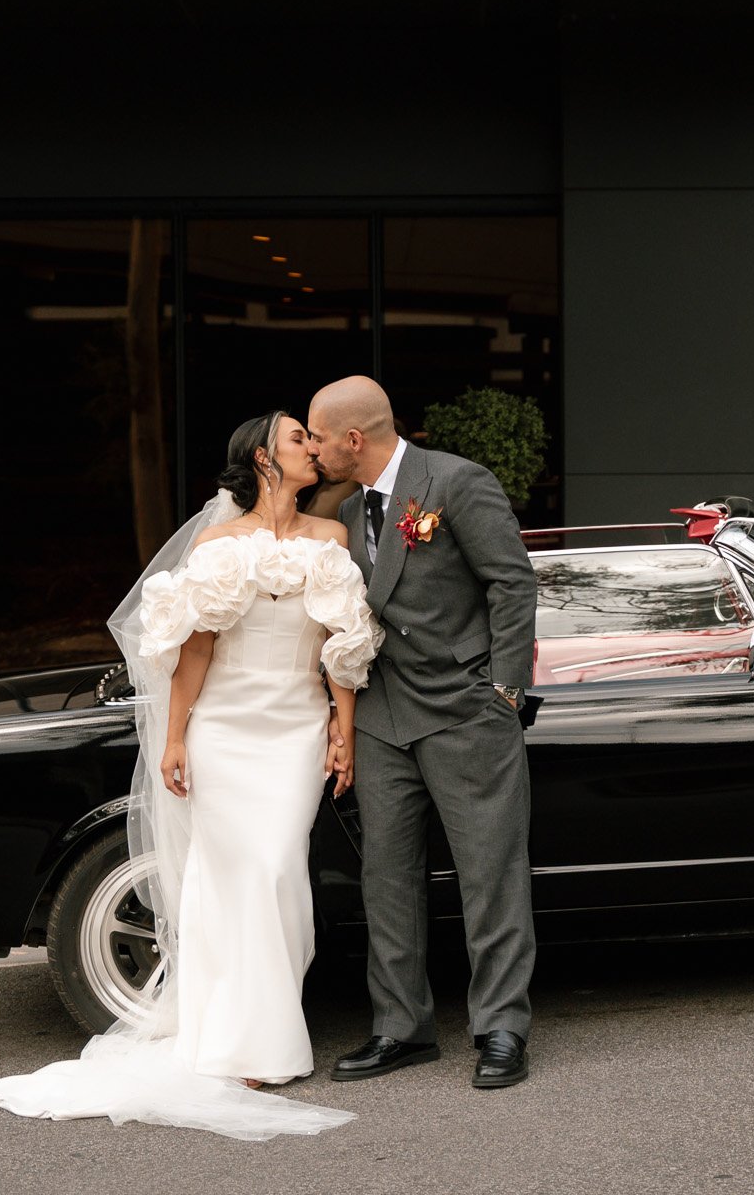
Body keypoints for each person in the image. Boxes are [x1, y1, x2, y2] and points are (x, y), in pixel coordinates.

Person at [0, 409, 382, 1140]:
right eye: (298, 439)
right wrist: (174, 739)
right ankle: (243, 1041)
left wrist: (342, 731)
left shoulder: (330, 539)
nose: (313, 449)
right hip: (223, 732)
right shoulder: (217, 544)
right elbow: (192, 650)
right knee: (231, 877)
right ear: (264, 459)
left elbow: (343, 646)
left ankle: (256, 1027)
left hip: (293, 730)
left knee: (276, 870)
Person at [306, 376, 538, 1091]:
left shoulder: (456, 482)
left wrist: (503, 688)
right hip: (381, 717)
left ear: (353, 439)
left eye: (317, 436)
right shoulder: (344, 509)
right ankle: (399, 1028)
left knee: (488, 875)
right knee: (387, 878)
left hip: (466, 711)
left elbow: (511, 582)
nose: (311, 449)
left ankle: (500, 1026)